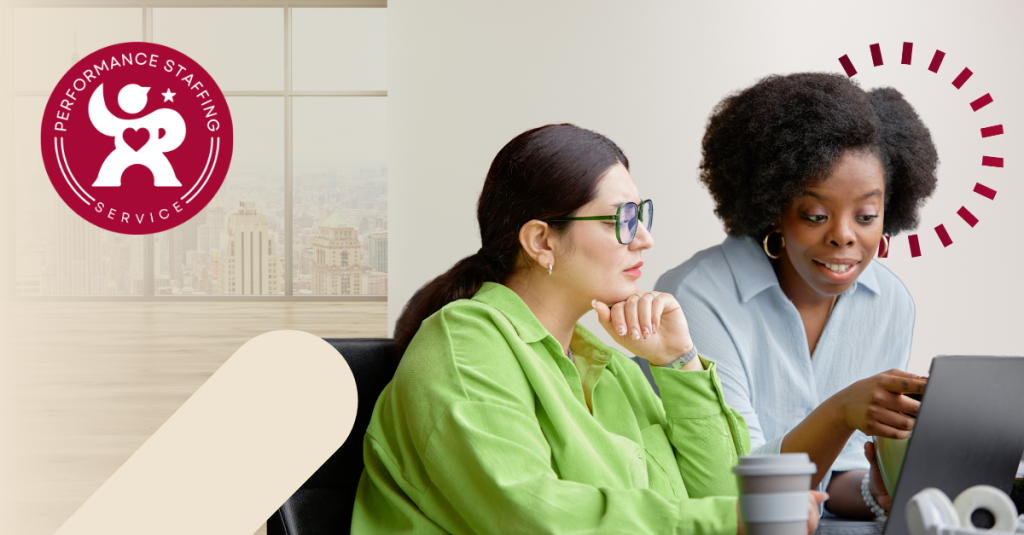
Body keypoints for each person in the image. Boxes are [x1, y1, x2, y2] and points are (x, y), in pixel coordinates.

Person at [352, 124, 826, 534]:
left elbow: (723, 496)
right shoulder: (464, 343)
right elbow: (530, 517)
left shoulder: (610, 365)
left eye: (641, 216)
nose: (645, 238)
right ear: (541, 240)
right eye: (623, 219)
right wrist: (737, 519)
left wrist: (678, 365)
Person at [655, 73, 936, 519]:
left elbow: (832, 479)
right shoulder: (695, 298)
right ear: (774, 209)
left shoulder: (890, 304)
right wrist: (842, 411)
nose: (844, 236)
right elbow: (737, 487)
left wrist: (875, 492)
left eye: (866, 215)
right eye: (816, 214)